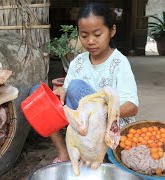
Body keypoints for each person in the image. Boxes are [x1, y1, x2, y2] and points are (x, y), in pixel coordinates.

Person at [36, 2, 139, 163]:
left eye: (97, 34)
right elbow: (67, 91)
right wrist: (61, 91)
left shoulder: (119, 63)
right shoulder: (78, 62)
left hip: (109, 128)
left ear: (112, 31)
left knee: (77, 88)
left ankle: (98, 153)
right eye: (84, 35)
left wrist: (101, 112)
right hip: (83, 126)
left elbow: (132, 107)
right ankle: (64, 153)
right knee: (39, 94)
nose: (90, 41)